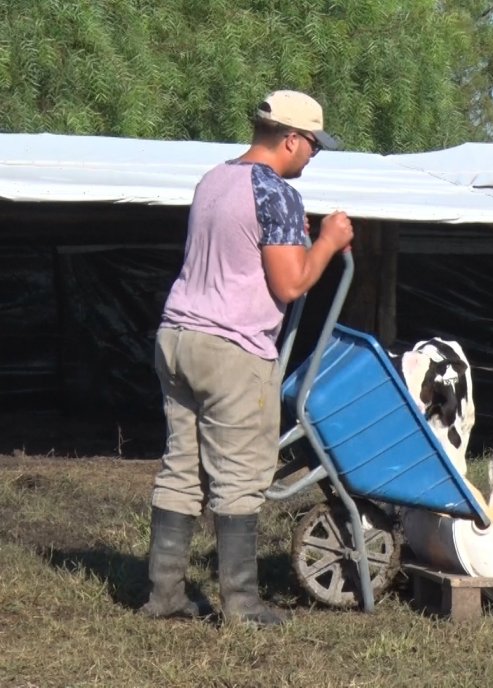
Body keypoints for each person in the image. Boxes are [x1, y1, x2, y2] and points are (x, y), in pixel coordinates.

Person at [140, 90, 354, 626]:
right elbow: (291, 283)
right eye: (313, 146)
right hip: (232, 348)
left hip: (178, 336)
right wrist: (327, 241)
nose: (313, 156)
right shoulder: (275, 193)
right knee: (240, 475)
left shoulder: (214, 179)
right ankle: (242, 605)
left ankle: (164, 596)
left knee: (182, 468)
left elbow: (239, 251)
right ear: (290, 139)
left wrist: (296, 242)